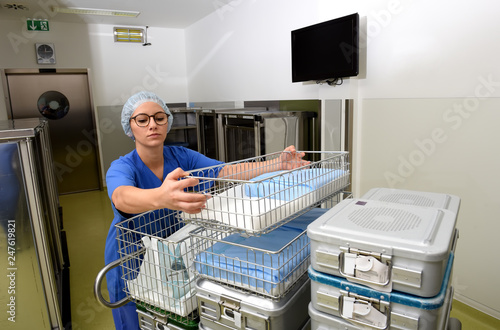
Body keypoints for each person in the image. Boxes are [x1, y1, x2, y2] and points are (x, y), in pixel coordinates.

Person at [104, 91, 309, 329]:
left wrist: (278, 164)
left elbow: (226, 171)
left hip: (172, 248)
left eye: (159, 118)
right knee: (137, 316)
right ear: (130, 126)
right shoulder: (122, 166)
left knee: (173, 315)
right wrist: (162, 196)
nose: (152, 125)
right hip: (132, 256)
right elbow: (121, 197)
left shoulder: (181, 156)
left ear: (167, 122)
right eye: (142, 119)